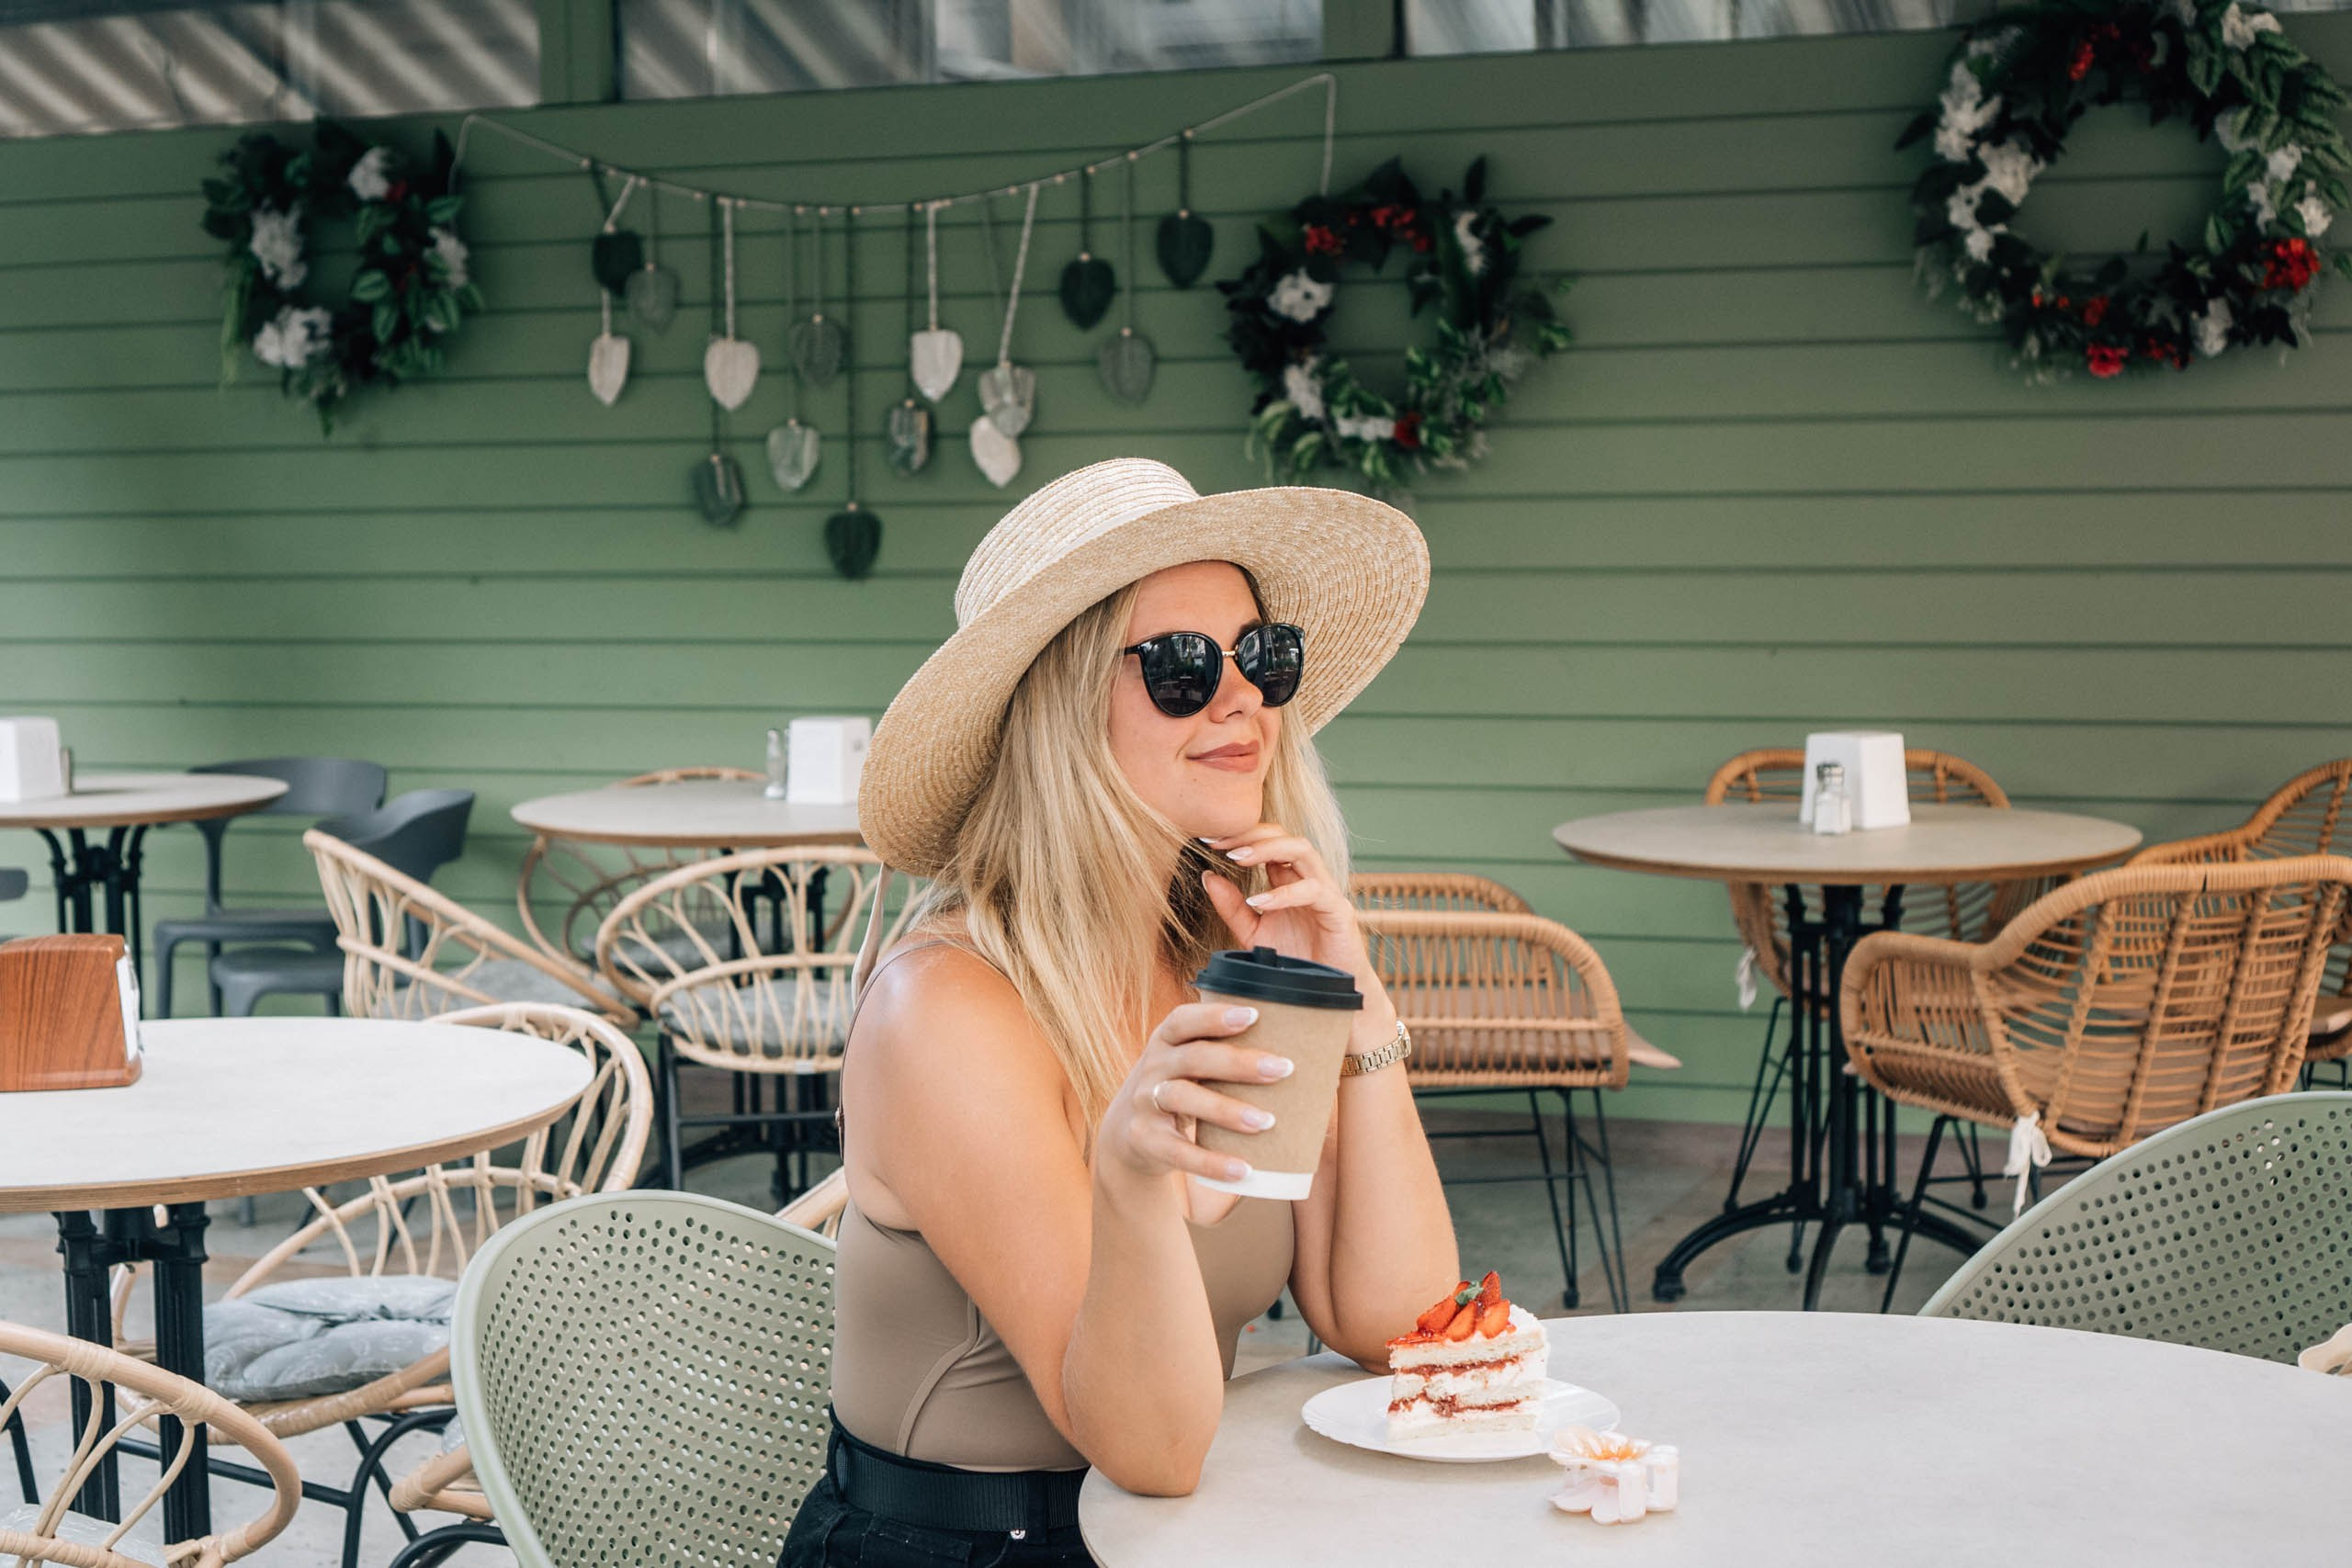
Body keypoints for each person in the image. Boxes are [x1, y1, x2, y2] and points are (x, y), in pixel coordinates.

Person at [783, 458, 1458, 1567]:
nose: (1243, 696)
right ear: (1058, 710)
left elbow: (1397, 1323)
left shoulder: (1222, 958)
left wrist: (1354, 1005)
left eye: (1262, 655)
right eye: (1185, 666)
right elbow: (1146, 1444)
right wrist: (1136, 1180)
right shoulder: (947, 1008)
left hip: (1171, 1534)